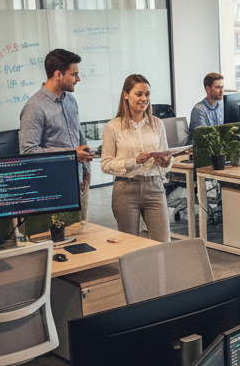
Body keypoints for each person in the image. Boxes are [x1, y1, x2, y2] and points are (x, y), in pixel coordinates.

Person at [19, 48, 94, 220]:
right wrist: (71, 155)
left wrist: (85, 163)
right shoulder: (35, 108)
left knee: (81, 230)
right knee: (60, 233)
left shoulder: (70, 100)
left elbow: (77, 137)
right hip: (52, 187)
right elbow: (28, 152)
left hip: (78, 182)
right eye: (74, 74)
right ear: (58, 74)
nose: (78, 79)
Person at [100, 74, 171, 242]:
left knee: (163, 242)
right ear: (126, 95)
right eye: (139, 94)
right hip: (125, 189)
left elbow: (166, 156)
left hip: (154, 187)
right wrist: (134, 162)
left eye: (147, 94)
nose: (144, 99)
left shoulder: (157, 124)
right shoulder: (113, 127)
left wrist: (166, 162)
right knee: (130, 244)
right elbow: (106, 164)